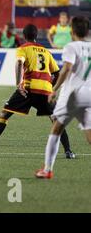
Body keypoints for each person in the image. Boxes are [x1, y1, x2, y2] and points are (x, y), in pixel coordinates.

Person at [0, 24, 75, 159]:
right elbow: (57, 73)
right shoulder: (46, 51)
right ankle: (68, 151)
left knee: (4, 114)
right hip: (45, 90)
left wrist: (18, 84)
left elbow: (19, 63)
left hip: (27, 89)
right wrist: (51, 88)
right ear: (36, 36)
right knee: (56, 120)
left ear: (24, 36)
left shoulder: (23, 49)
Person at [36, 16, 91, 179]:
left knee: (56, 129)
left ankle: (47, 169)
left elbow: (66, 68)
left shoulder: (71, 46)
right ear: (87, 31)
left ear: (72, 31)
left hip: (72, 96)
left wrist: (54, 89)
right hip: (89, 95)